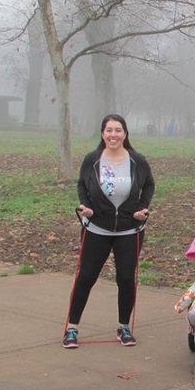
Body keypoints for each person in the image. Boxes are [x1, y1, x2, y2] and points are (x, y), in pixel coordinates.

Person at [63, 114, 154, 349]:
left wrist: (143, 207)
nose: (113, 135)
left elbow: (149, 185)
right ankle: (71, 328)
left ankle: (124, 327)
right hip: (96, 228)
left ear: (125, 133)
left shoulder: (137, 160)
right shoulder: (93, 159)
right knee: (86, 278)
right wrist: (86, 206)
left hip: (129, 230)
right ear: (103, 133)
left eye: (118, 130)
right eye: (109, 130)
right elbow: (82, 184)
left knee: (126, 279)